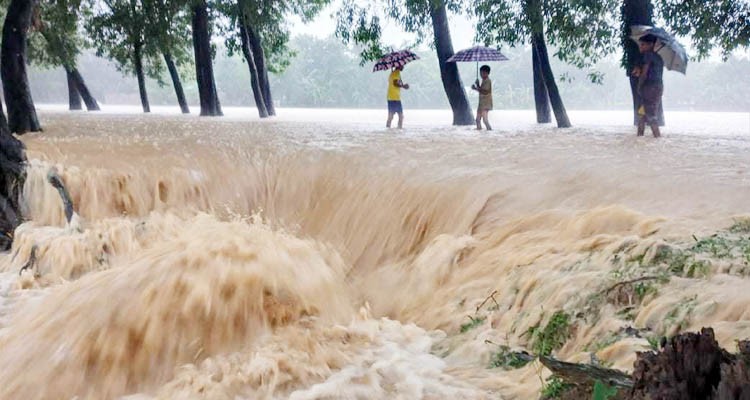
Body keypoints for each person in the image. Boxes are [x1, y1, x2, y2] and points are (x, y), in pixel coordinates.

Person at [635, 34, 664, 138]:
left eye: (643, 45)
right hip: (658, 88)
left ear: (651, 45)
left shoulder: (647, 56)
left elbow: (644, 74)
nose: (641, 47)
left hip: (650, 89)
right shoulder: (659, 57)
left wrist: (639, 84)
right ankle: (640, 138)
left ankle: (658, 138)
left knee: (651, 116)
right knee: (642, 116)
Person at [471, 65, 493, 131]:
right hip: (481, 103)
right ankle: (479, 129)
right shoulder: (483, 81)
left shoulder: (488, 81)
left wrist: (476, 88)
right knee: (477, 119)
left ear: (487, 73)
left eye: (483, 73)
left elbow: (485, 91)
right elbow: (481, 90)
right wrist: (477, 85)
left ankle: (489, 130)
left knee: (485, 120)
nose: (481, 75)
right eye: (480, 73)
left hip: (486, 104)